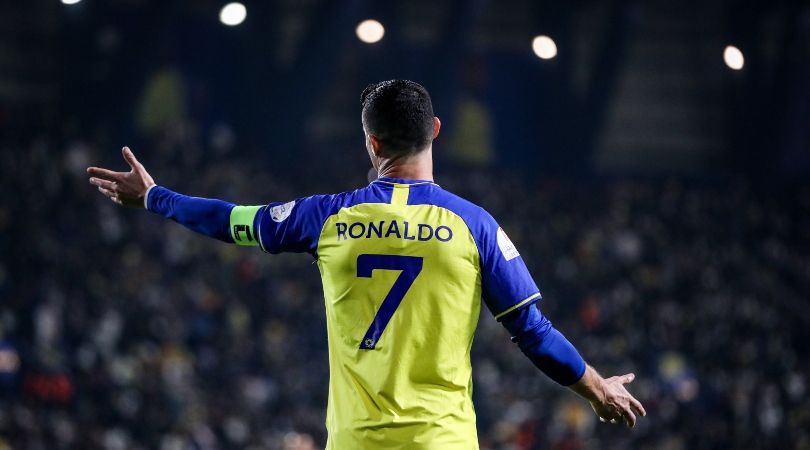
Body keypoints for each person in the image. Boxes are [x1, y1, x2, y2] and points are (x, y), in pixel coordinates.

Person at [87, 80, 645, 449]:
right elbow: (533, 332)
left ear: (371, 142)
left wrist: (155, 197)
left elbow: (229, 220)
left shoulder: (326, 218)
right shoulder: (476, 227)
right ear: (436, 132)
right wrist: (599, 390)